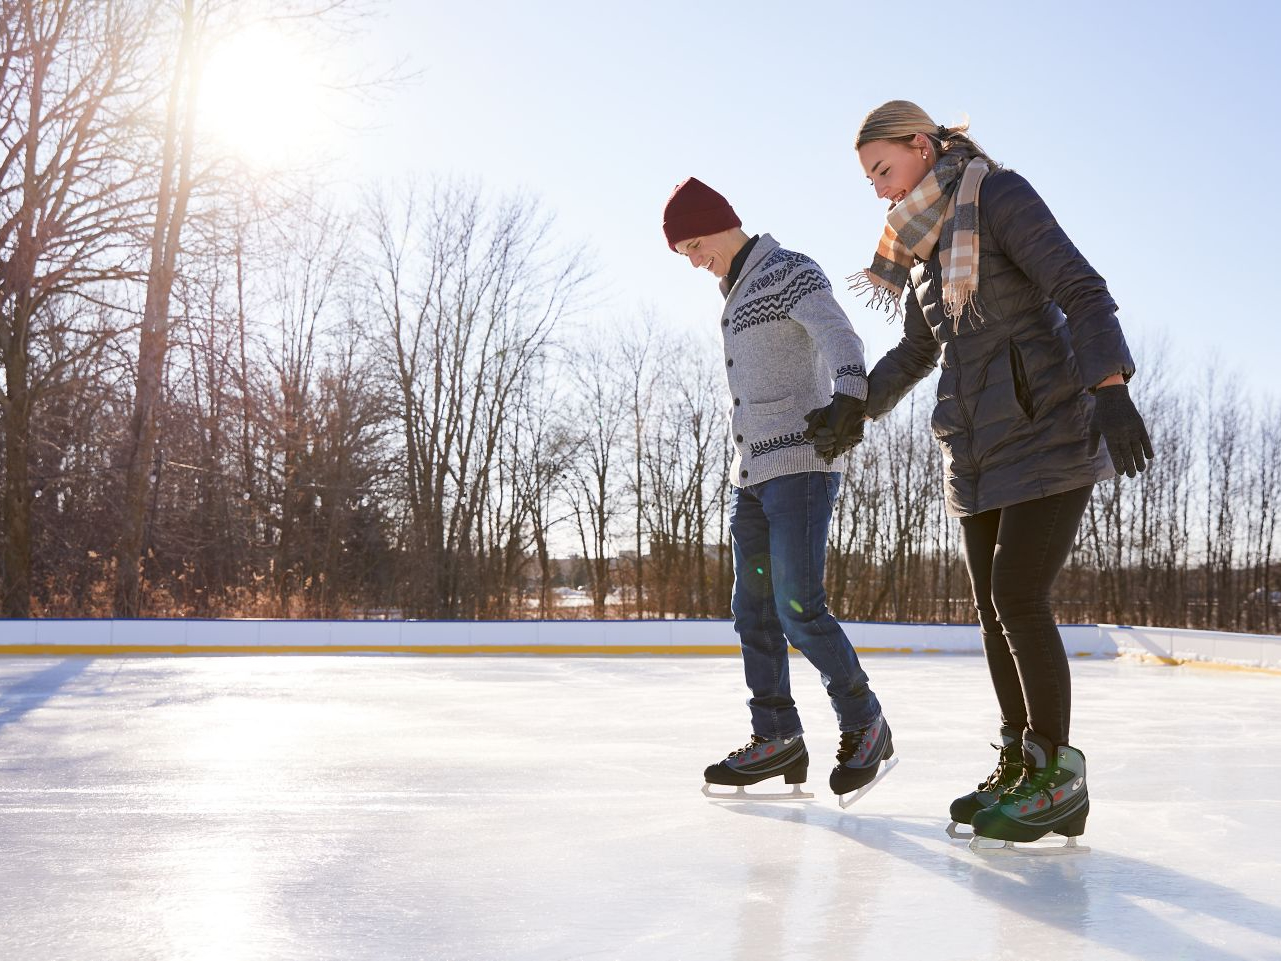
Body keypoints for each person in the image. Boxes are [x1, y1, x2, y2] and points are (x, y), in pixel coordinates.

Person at [850, 101, 1153, 843]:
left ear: (921, 146)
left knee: (1017, 593)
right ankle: (1022, 762)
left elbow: (1080, 287)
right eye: (868, 180)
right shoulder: (921, 243)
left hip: (1046, 426)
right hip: (974, 447)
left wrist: (1109, 389)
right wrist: (852, 406)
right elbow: (919, 352)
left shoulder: (998, 195)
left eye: (884, 170)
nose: (880, 191)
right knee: (991, 607)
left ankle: (1060, 775)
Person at [661, 176, 893, 802]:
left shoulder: (788, 270)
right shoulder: (732, 293)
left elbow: (841, 335)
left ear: (717, 223)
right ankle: (777, 738)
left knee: (797, 604)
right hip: (753, 477)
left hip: (802, 465)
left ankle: (865, 722)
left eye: (692, 244)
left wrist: (850, 397)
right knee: (753, 611)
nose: (692, 259)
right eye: (683, 252)